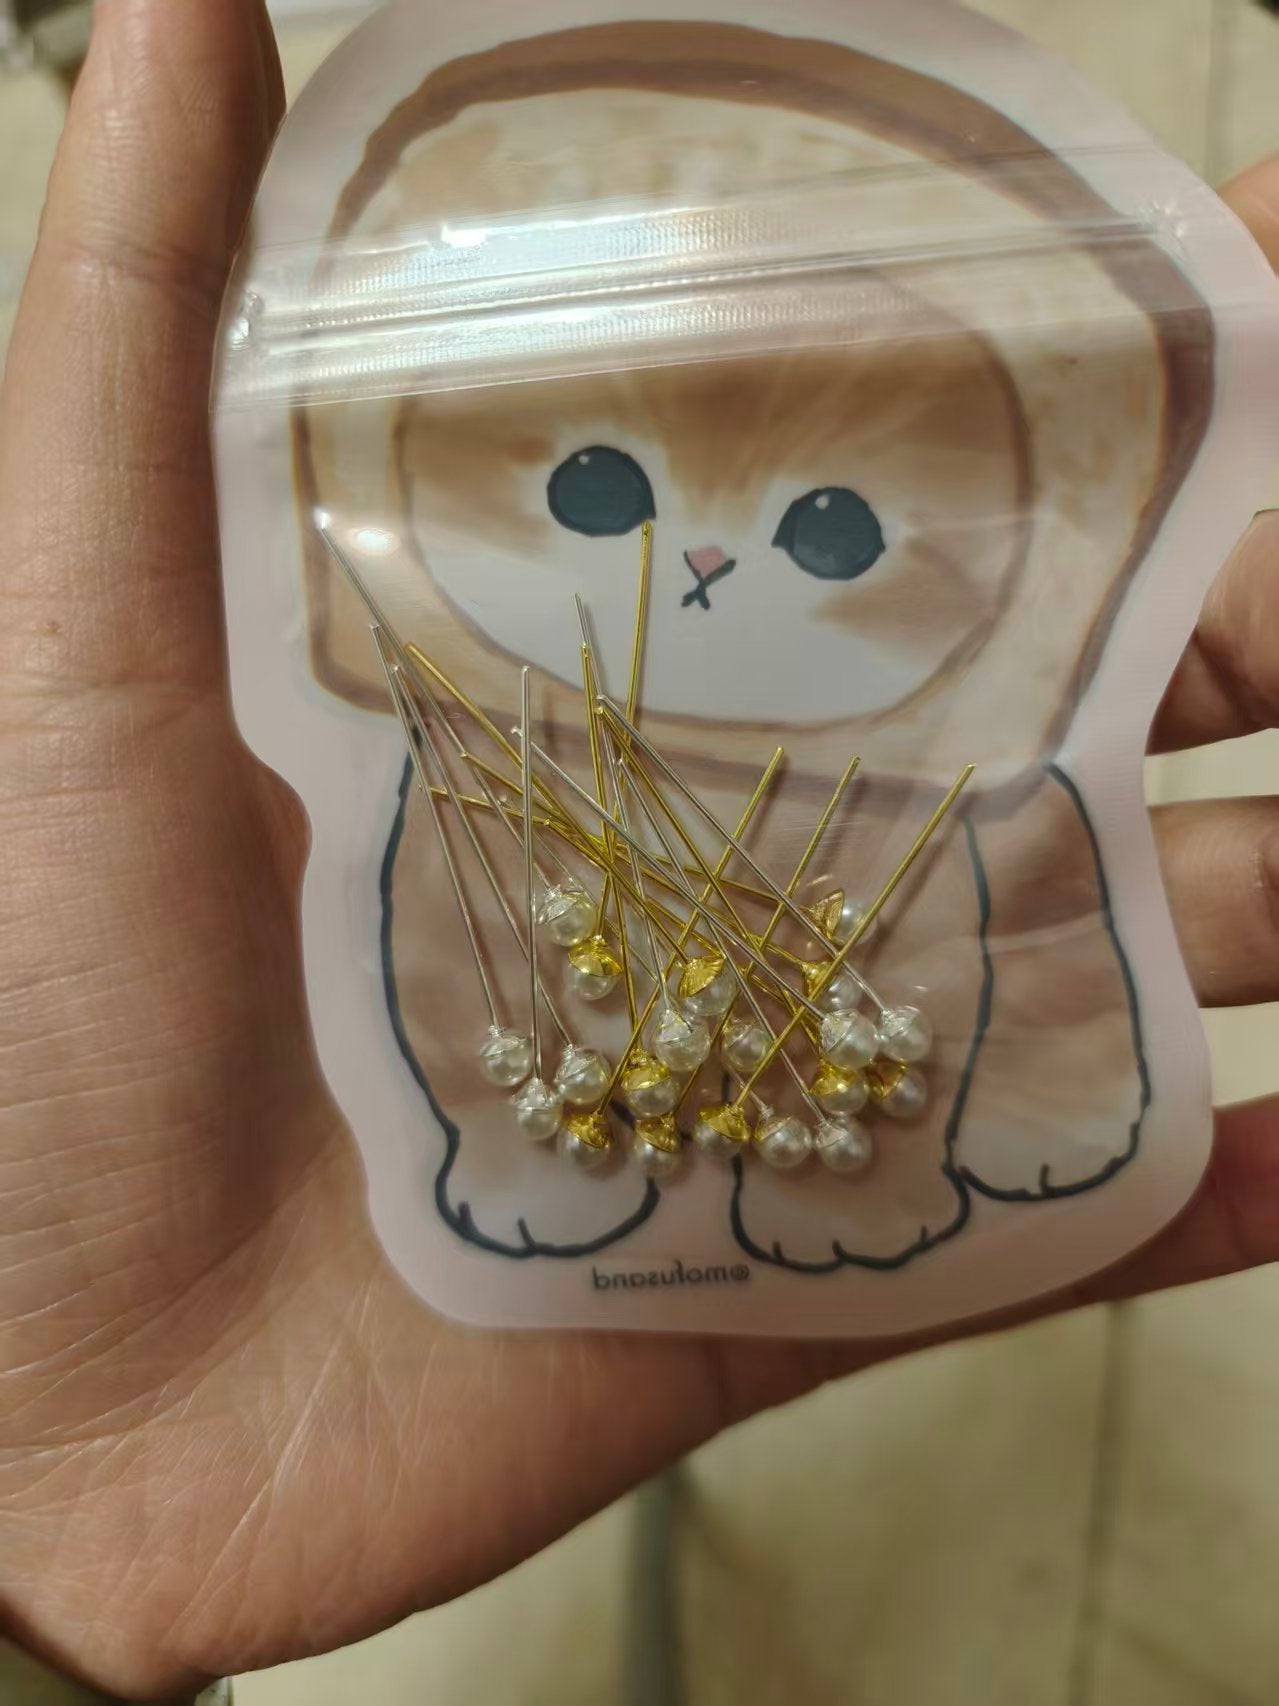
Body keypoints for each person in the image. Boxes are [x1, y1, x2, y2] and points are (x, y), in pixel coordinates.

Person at [0, 1, 1276, 1698]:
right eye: (601, 489)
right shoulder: (462, 772)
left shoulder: (932, 779)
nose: (702, 565)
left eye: (832, 524)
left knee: (990, 971)